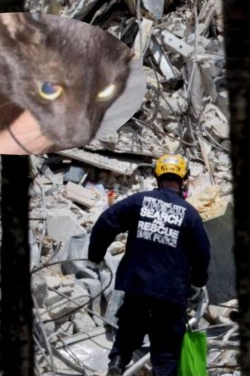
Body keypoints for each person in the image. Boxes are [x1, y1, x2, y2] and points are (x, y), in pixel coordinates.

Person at [88, 154, 211, 376]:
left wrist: (95, 256)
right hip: (171, 292)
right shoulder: (190, 215)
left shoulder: (139, 201)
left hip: (138, 284)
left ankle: (117, 362)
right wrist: (197, 282)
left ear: (157, 176)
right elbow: (202, 253)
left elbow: (106, 221)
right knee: (166, 352)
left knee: (129, 330)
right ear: (183, 179)